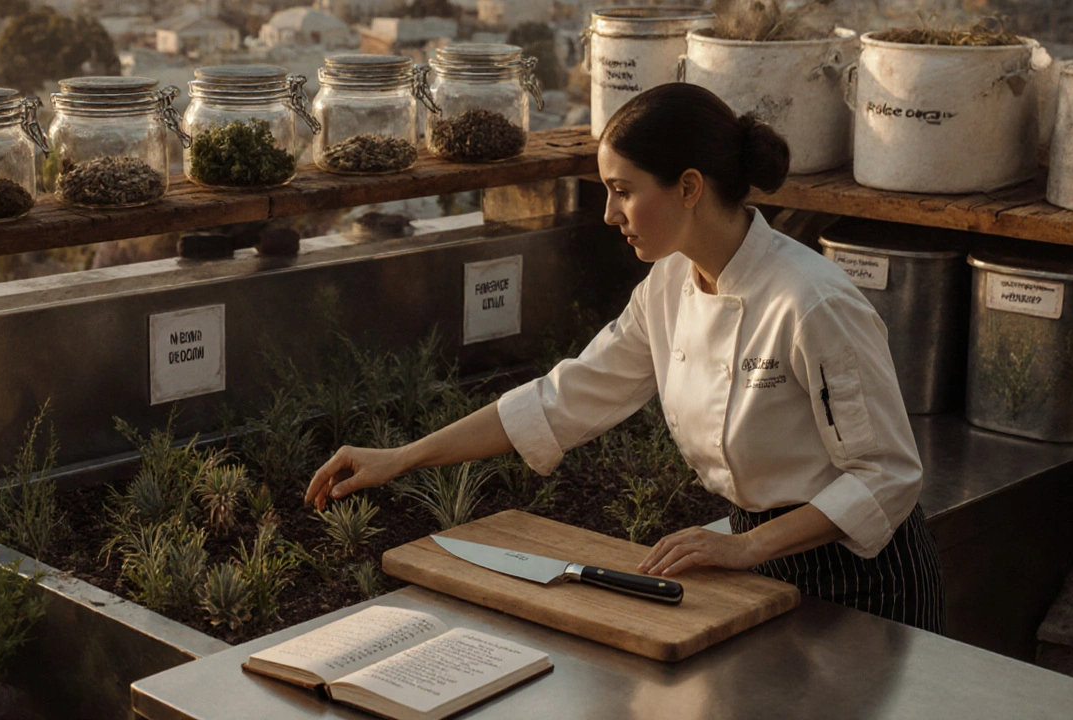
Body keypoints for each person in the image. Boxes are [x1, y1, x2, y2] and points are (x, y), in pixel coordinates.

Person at [305, 83, 945, 633]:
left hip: (863, 578)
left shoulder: (811, 302)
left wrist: (747, 547)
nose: (610, 214)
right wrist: (403, 457)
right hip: (758, 564)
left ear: (689, 187)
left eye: (622, 190)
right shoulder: (670, 284)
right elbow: (563, 401)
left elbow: (886, 477)